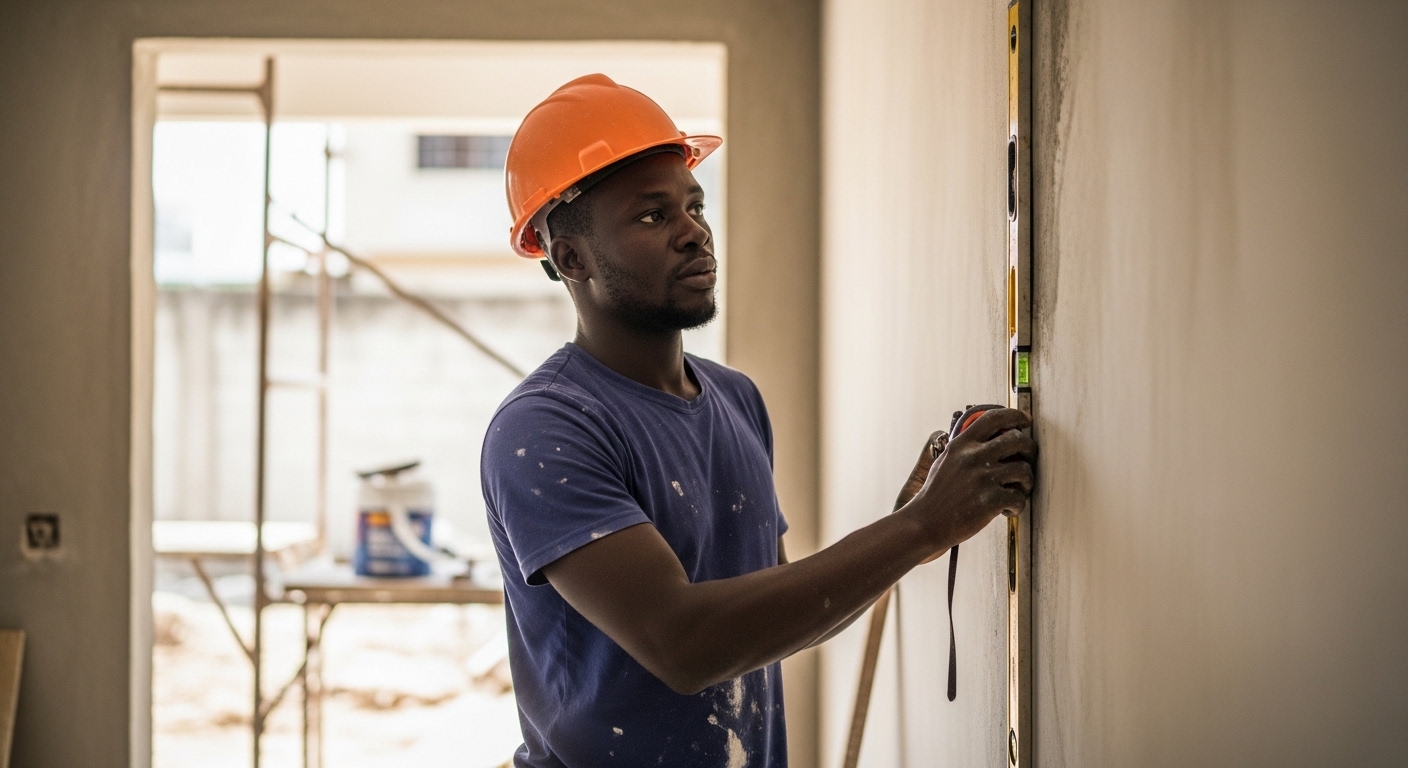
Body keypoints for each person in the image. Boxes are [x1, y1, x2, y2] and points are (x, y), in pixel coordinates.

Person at [481, 74, 1035, 768]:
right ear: (571, 258)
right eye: (653, 217)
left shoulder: (735, 398)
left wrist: (915, 525)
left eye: (695, 206)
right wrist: (919, 527)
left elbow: (773, 616)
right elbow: (686, 645)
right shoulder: (544, 431)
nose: (693, 233)